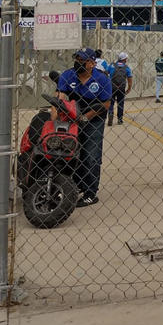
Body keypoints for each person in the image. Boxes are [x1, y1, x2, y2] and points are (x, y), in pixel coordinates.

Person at [57, 47, 112, 207]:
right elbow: (60, 96)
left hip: (94, 119)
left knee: (91, 156)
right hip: (71, 118)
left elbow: (106, 104)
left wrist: (85, 117)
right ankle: (76, 186)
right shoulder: (68, 75)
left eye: (82, 60)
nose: (78, 62)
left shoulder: (101, 79)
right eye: (77, 59)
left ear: (92, 63)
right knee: (72, 153)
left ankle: (90, 193)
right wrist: (55, 117)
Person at [107, 52, 133, 127]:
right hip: (121, 88)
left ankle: (110, 113)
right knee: (120, 103)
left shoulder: (112, 65)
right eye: (126, 58)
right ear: (124, 59)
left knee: (111, 102)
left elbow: (106, 73)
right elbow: (130, 79)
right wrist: (129, 88)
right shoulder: (126, 67)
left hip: (112, 87)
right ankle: (120, 119)